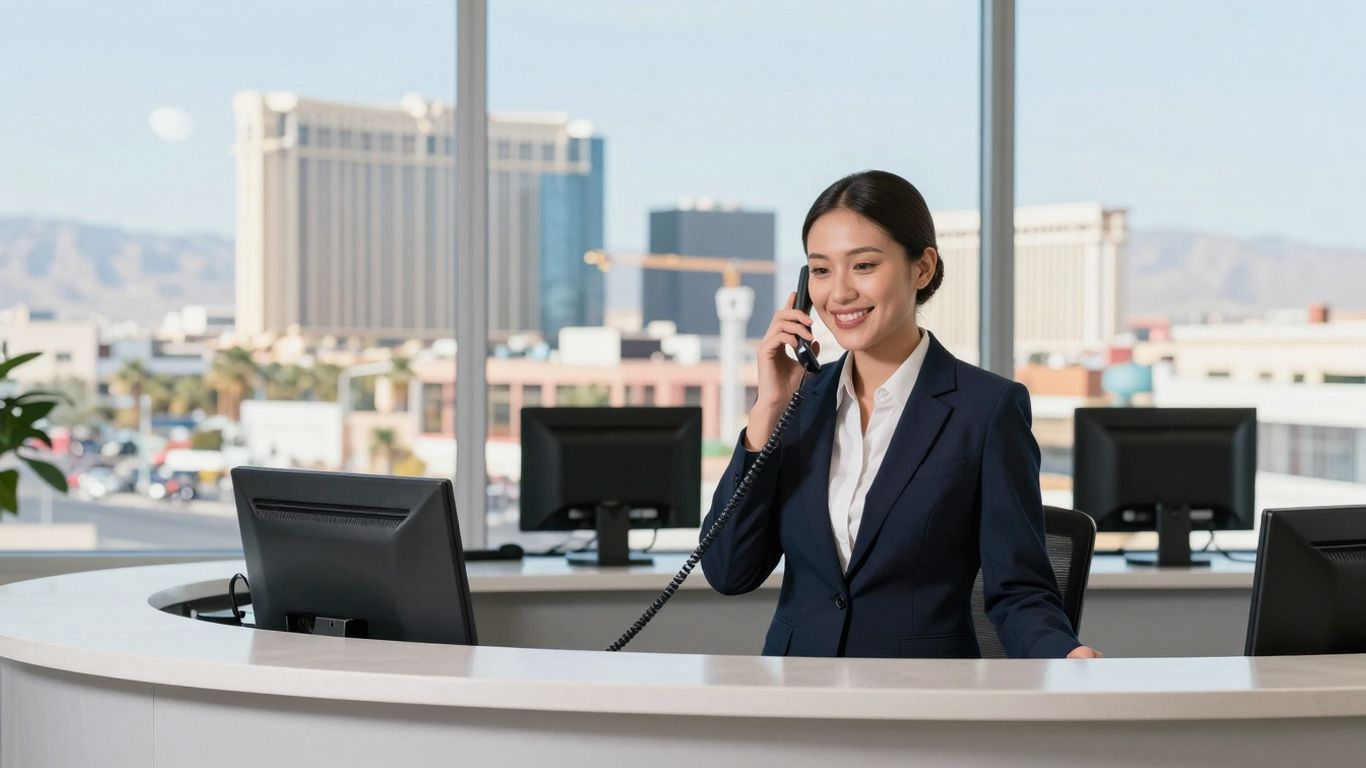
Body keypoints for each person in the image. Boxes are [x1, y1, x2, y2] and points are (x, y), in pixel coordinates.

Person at [701, 170, 1101, 659]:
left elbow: (1019, 589)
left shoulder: (986, 409)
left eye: (864, 265)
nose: (839, 293)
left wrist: (1064, 654)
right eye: (821, 270)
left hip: (922, 690)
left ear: (923, 268)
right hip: (799, 686)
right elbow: (728, 570)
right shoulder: (797, 405)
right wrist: (768, 410)